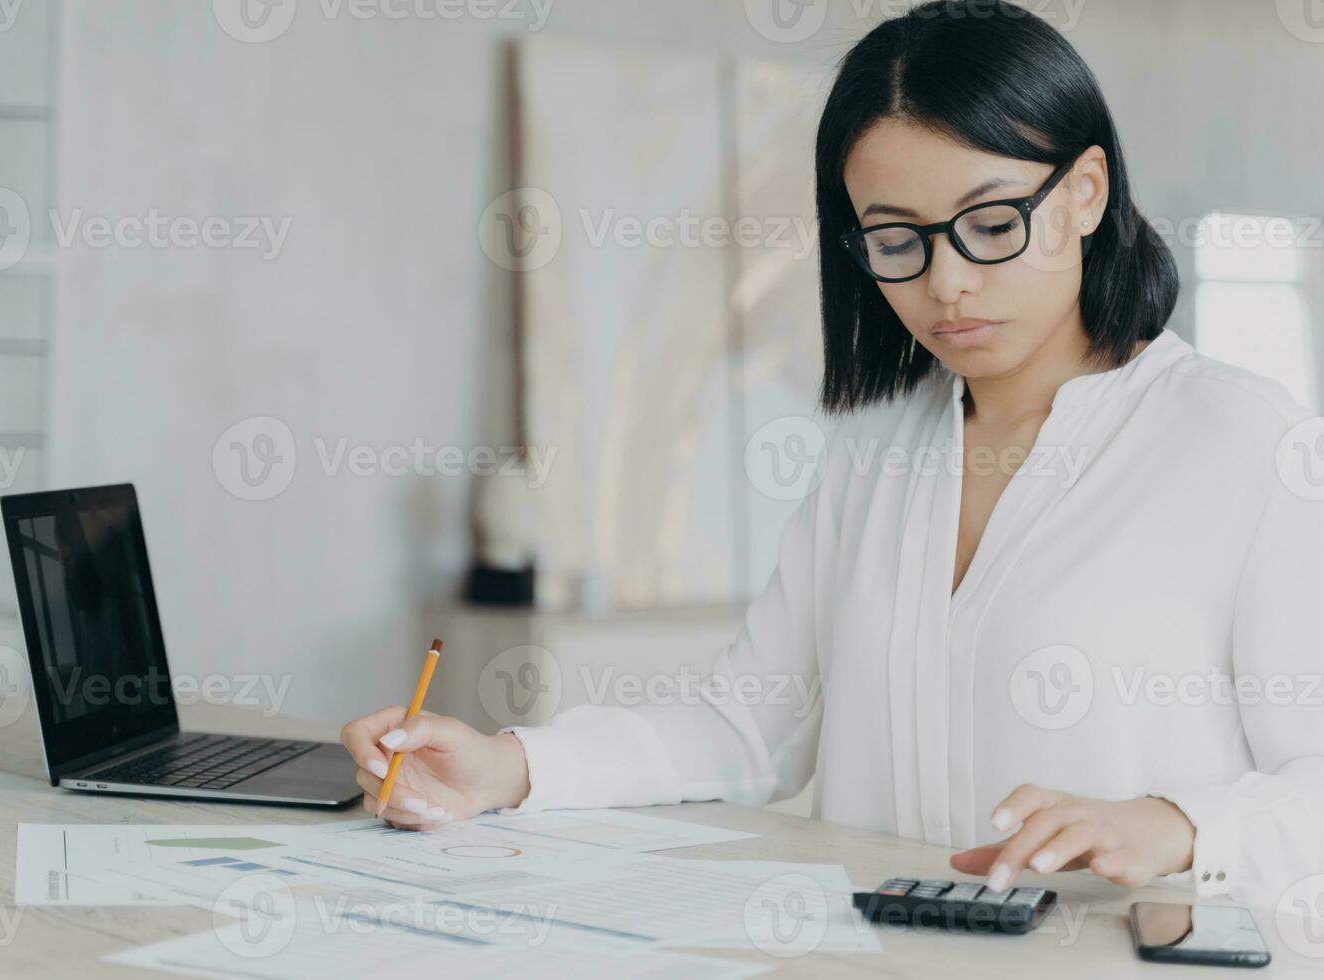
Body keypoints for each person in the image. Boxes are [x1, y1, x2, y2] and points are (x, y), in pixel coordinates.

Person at [340, 0, 1324, 911]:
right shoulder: (874, 454)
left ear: (1086, 195)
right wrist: (505, 765)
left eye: (990, 225)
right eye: (896, 239)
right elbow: (743, 727)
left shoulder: (1242, 443)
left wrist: (1180, 823)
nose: (946, 283)